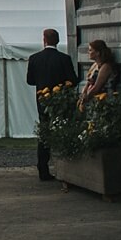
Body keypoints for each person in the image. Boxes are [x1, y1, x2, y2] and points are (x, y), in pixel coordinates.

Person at [26, 28, 77, 181]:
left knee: (45, 133)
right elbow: (73, 80)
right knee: (63, 130)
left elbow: (30, 80)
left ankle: (43, 167)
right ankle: (67, 166)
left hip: (43, 101)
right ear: (58, 41)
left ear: (44, 40)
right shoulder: (64, 59)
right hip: (61, 101)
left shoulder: (34, 58)